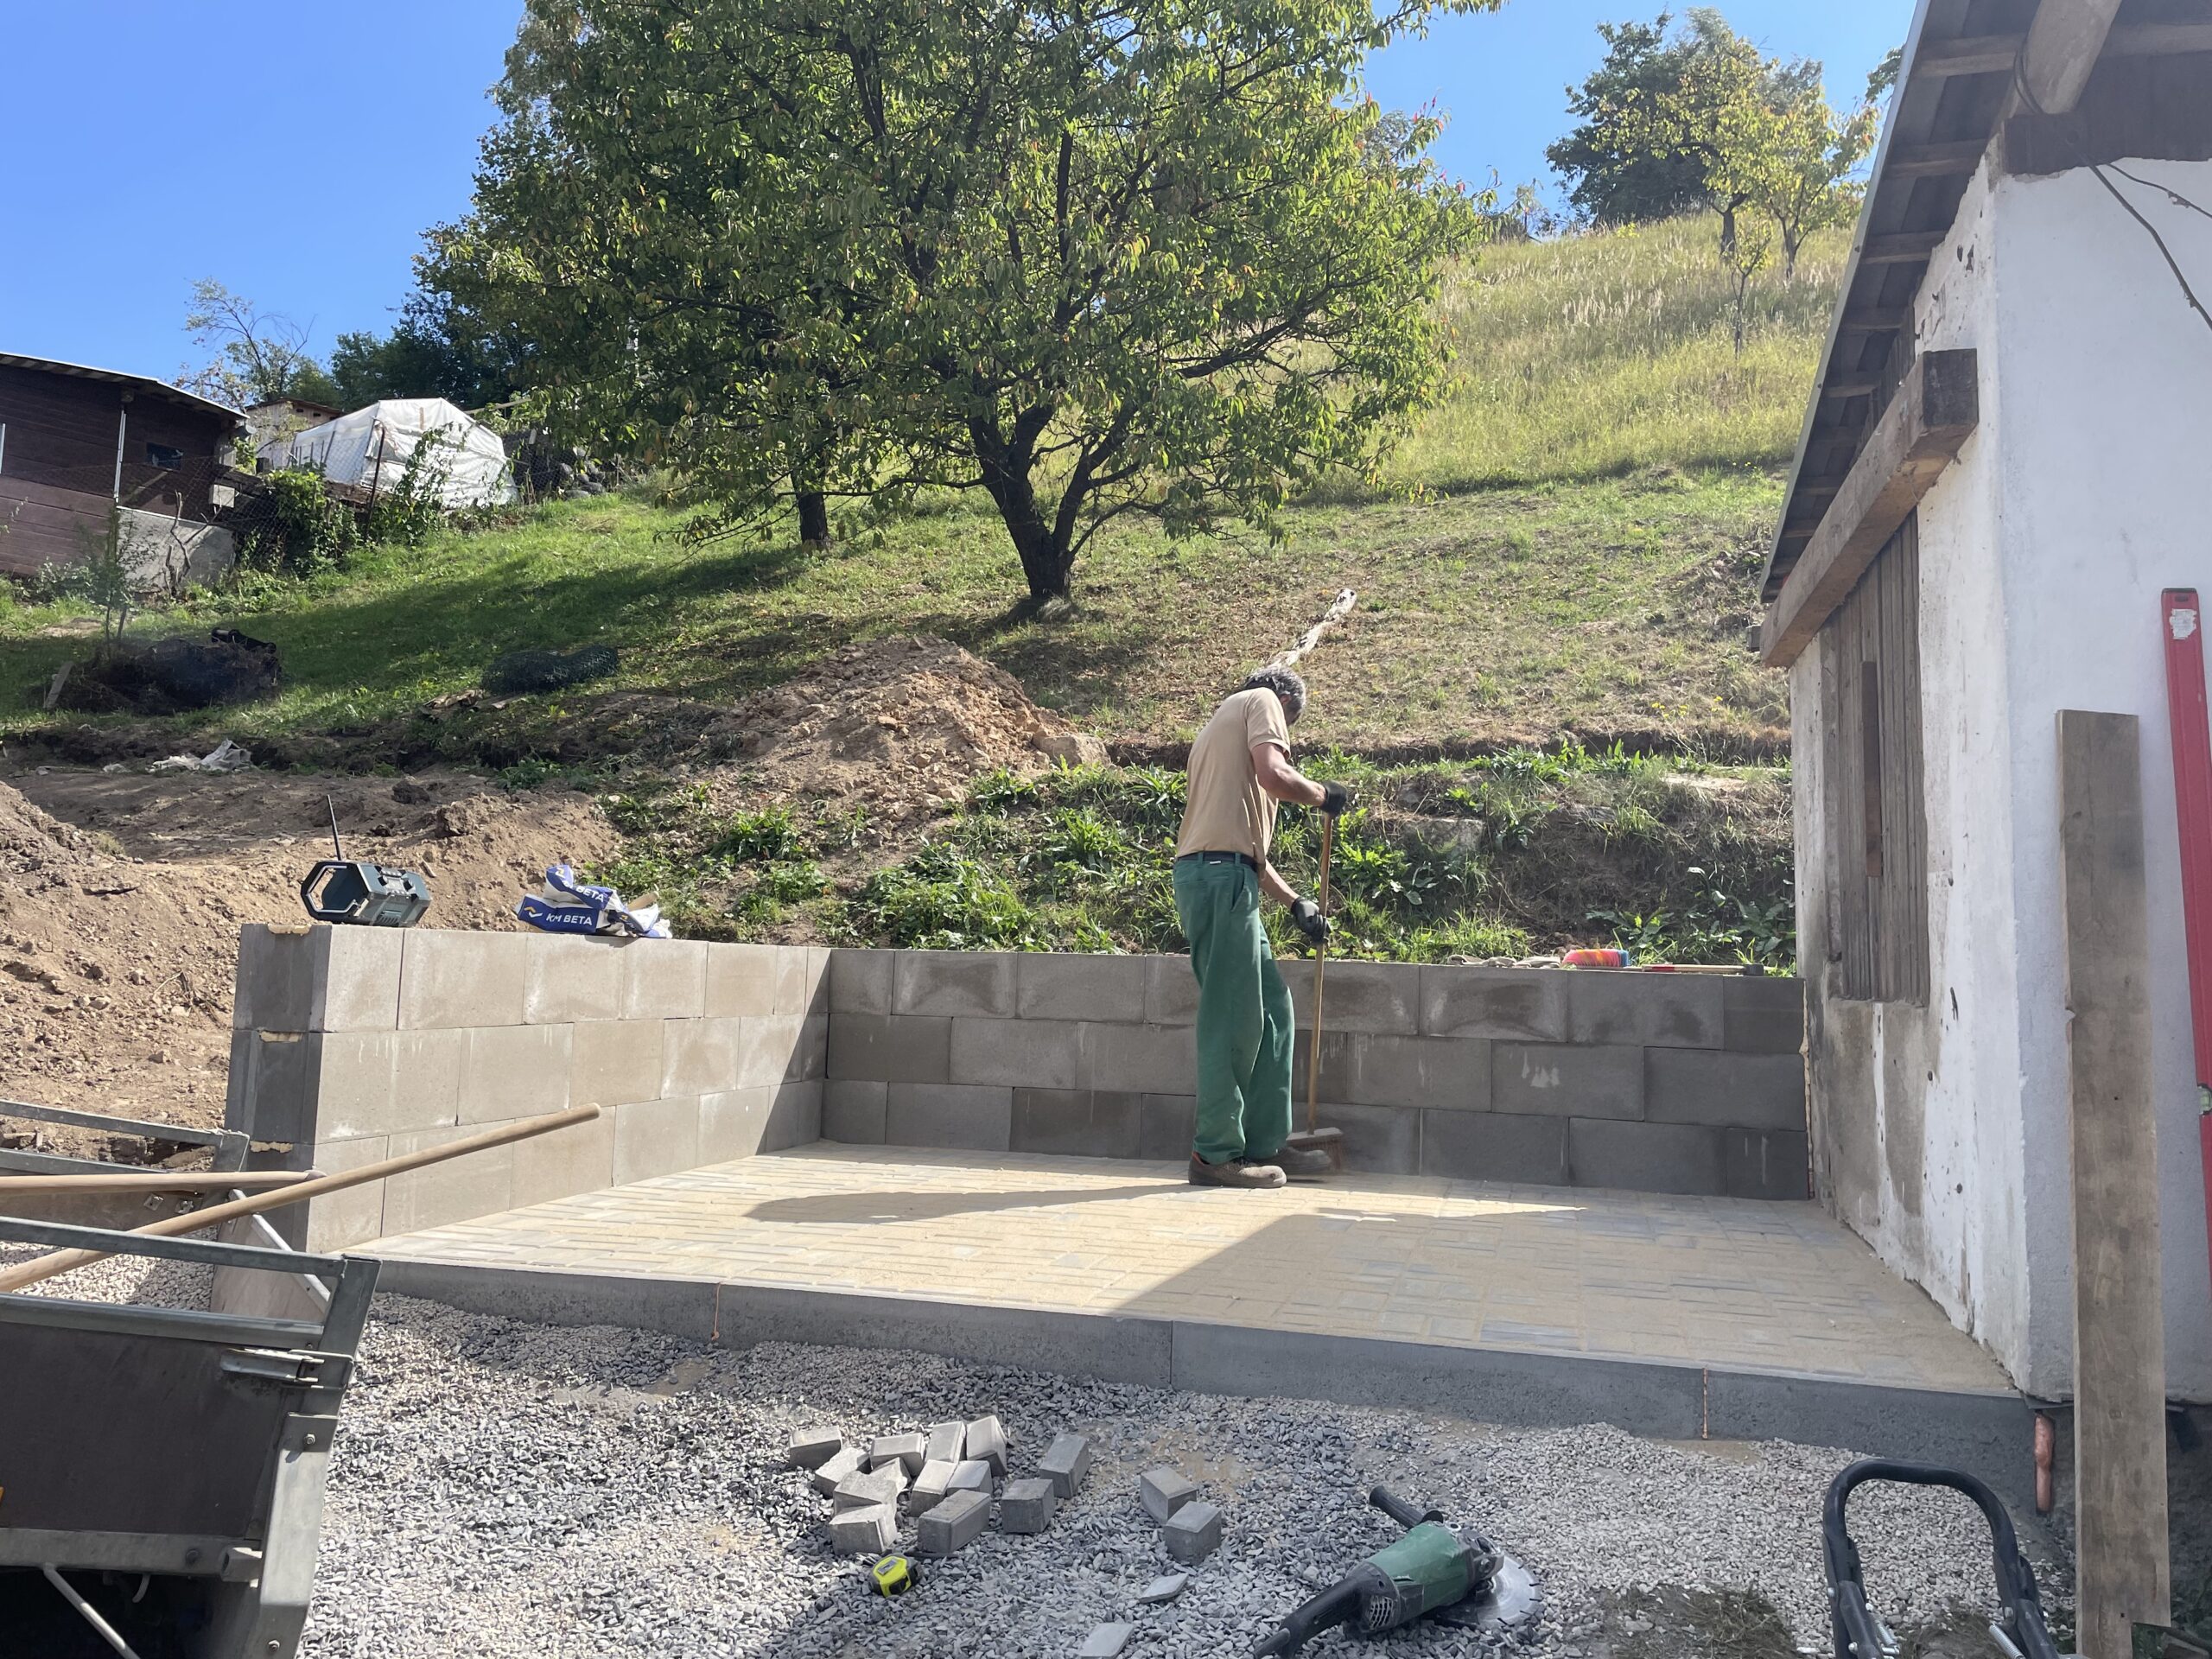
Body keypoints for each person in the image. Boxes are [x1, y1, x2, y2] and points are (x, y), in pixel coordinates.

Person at [1172, 665, 1350, 1188]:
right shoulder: (1262, 701)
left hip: (1225, 876)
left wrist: (1296, 904)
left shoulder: (1220, 731)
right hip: (1219, 879)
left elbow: (1245, 850)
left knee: (1273, 1011)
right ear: (1286, 702)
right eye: (1288, 729)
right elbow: (1275, 774)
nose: (1284, 739)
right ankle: (1214, 1154)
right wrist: (1321, 794)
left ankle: (1263, 1143)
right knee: (1232, 1017)